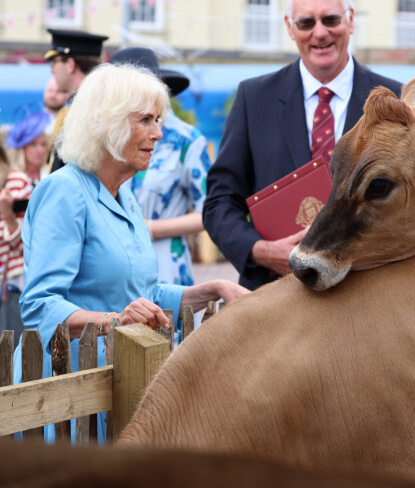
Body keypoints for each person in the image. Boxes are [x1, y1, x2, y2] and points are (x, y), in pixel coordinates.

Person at [13, 63, 248, 440]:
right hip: (66, 398)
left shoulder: (124, 194)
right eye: (146, 120)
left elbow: (145, 295)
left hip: (116, 386)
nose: (158, 133)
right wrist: (114, 320)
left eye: (158, 120)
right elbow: (39, 305)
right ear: (107, 124)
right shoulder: (65, 191)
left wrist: (214, 289)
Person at [203, 0, 403, 290]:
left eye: (331, 19)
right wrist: (261, 251)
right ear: (289, 28)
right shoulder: (253, 99)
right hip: (276, 294)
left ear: (351, 20)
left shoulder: (395, 100)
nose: (320, 33)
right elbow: (219, 204)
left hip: (370, 294)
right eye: (306, 23)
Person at [110, 47, 209, 290]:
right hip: (111, 264)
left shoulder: (186, 140)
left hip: (164, 264)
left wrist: (151, 228)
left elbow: (209, 211)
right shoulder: (107, 139)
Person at [43, 28, 109, 172]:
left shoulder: (92, 108)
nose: (52, 70)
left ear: (70, 65)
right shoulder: (82, 103)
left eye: (54, 62)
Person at [0, 135, 32, 342]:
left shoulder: (17, 181)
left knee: (11, 353)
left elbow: (26, 238)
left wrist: (8, 215)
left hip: (11, 284)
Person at [6, 110, 50, 188]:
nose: (40, 150)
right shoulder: (14, 179)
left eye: (43, 144)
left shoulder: (48, 176)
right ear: (21, 148)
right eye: (33, 144)